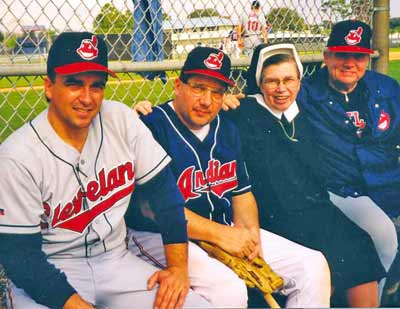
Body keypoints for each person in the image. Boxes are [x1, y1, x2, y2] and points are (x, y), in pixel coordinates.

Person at [0, 32, 210, 309]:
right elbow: (20, 256)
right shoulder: (16, 156)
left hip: (115, 260)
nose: (87, 98)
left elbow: (165, 196)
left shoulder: (120, 119)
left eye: (96, 86)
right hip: (50, 269)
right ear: (49, 87)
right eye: (74, 84)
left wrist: (178, 270)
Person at [128, 46, 332, 308]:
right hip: (158, 235)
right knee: (228, 289)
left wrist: (251, 238)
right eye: (199, 88)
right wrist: (223, 235)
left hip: (222, 229)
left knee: (311, 266)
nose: (206, 101)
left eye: (217, 92)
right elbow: (153, 208)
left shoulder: (227, 127)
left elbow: (241, 193)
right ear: (178, 86)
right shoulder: (152, 125)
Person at [223, 43, 386, 307]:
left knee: (360, 244)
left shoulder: (306, 113)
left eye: (289, 79)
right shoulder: (241, 113)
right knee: (323, 263)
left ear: (299, 80)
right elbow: (192, 112)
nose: (281, 88)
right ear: (258, 82)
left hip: (315, 207)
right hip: (272, 215)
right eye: (271, 81)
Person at [298, 20, 399, 304]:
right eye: (342, 54)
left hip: (388, 181)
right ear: (327, 56)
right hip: (343, 188)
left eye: (358, 56)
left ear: (368, 59)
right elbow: (268, 101)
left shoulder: (386, 89)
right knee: (383, 236)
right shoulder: (305, 92)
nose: (349, 63)